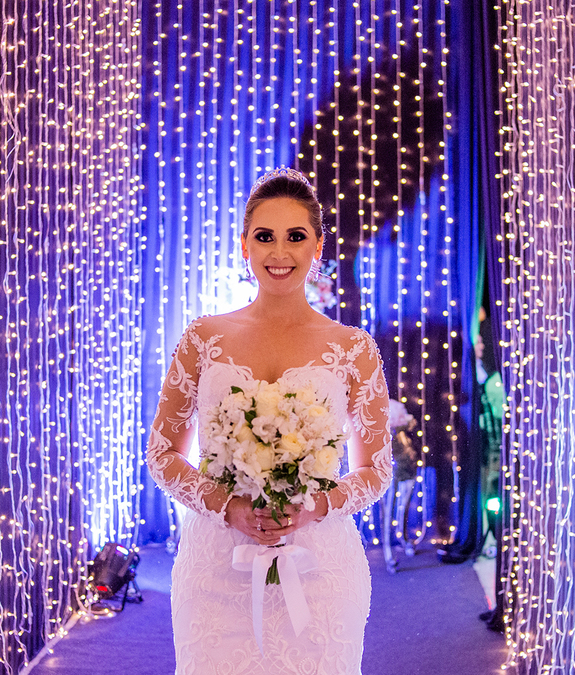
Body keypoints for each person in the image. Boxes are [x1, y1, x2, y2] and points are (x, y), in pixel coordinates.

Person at [146, 168, 392, 674]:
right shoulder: (203, 337)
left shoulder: (353, 348)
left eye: (295, 236)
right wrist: (228, 507)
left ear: (317, 246)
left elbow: (376, 471)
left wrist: (316, 506)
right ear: (244, 245)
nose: (279, 252)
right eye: (265, 237)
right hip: (217, 567)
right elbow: (162, 454)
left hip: (319, 569)